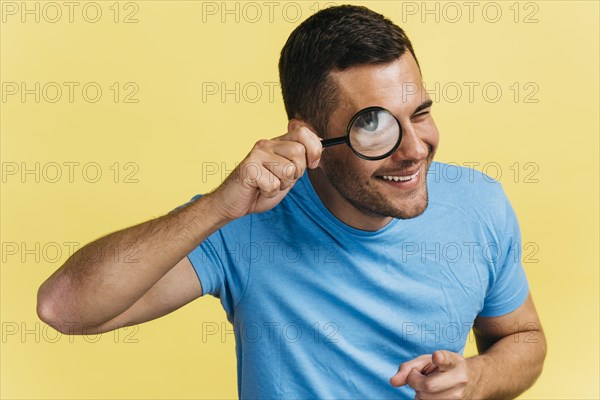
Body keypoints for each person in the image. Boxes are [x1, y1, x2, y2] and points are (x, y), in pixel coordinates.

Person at [37, 5, 546, 399]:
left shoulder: (479, 203)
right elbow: (64, 308)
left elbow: (524, 337)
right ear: (309, 137)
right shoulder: (243, 222)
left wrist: (474, 378)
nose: (415, 150)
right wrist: (217, 207)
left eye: (421, 112)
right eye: (374, 126)